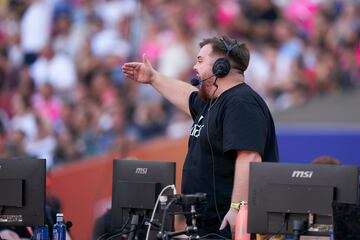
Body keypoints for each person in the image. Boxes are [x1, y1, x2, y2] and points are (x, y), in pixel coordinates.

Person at [122, 35, 279, 239]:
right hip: (208, 224)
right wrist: (153, 77)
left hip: (228, 224)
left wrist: (237, 209)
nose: (195, 66)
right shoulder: (213, 102)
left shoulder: (241, 103)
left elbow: (249, 158)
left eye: (200, 60)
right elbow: (188, 96)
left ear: (220, 66)